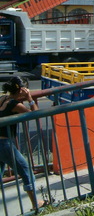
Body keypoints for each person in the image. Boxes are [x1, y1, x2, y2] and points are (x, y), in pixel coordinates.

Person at [0, 76, 45, 211]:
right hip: (4, 145)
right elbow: (35, 114)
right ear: (21, 89)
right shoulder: (15, 105)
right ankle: (35, 204)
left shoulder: (3, 98)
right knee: (25, 170)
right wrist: (30, 99)